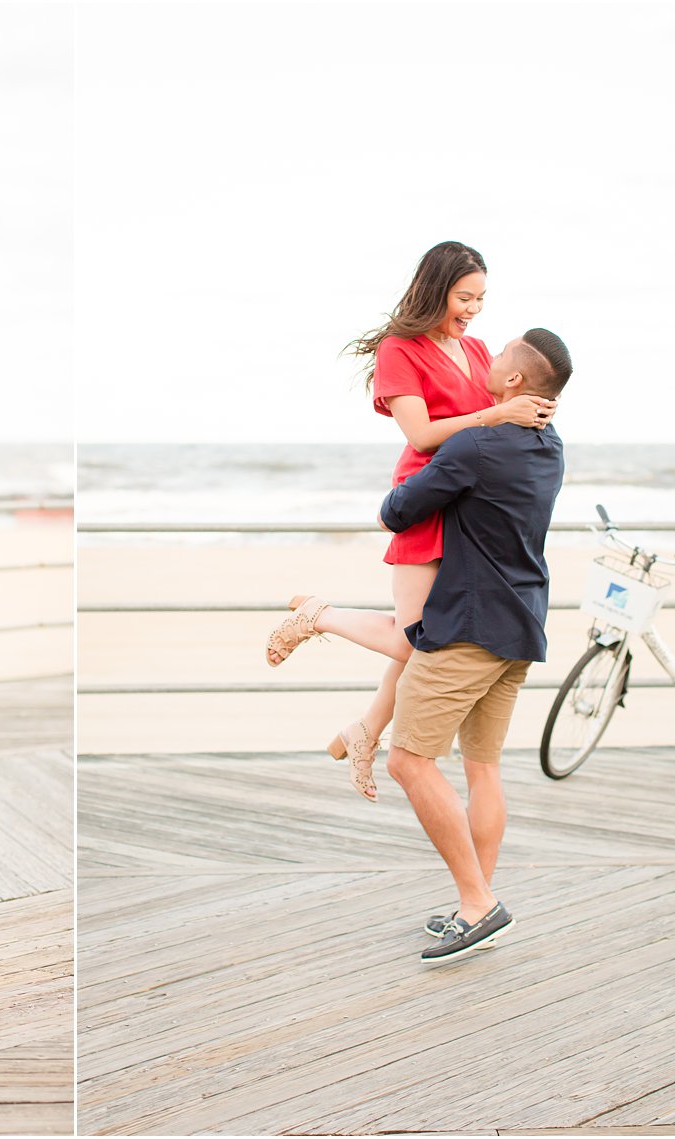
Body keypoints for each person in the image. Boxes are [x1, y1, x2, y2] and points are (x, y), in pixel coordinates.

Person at [265, 241, 556, 801]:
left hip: (470, 509)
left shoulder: (477, 348)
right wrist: (498, 413)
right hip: (425, 499)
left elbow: (507, 406)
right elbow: (422, 435)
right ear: (436, 288)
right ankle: (317, 616)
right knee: (423, 640)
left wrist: (536, 408)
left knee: (432, 637)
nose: (472, 310)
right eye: (463, 297)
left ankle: (366, 729)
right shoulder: (401, 349)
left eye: (481, 299)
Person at [377, 328, 572, 961]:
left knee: (408, 760)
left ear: (514, 382)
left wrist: (444, 449)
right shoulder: (551, 445)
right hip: (521, 624)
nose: (488, 355)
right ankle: (475, 902)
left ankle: (480, 905)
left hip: (467, 627)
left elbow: (397, 511)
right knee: (482, 768)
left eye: (503, 353)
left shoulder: (476, 444)